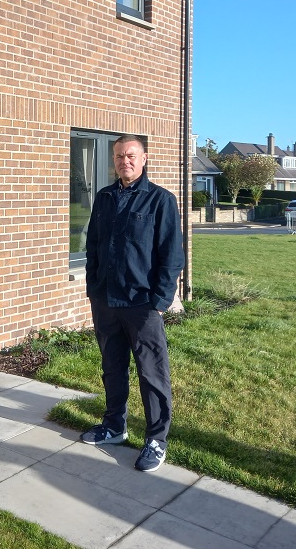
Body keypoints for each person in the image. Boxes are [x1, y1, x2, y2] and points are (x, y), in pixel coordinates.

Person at [81, 134, 184, 472]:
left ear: (144, 158)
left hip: (142, 304)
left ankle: (156, 439)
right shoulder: (105, 197)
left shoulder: (160, 201)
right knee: (112, 366)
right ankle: (114, 425)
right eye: (118, 156)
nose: (124, 161)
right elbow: (93, 245)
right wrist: (93, 284)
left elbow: (172, 256)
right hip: (106, 300)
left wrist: (160, 300)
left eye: (130, 155)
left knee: (151, 373)